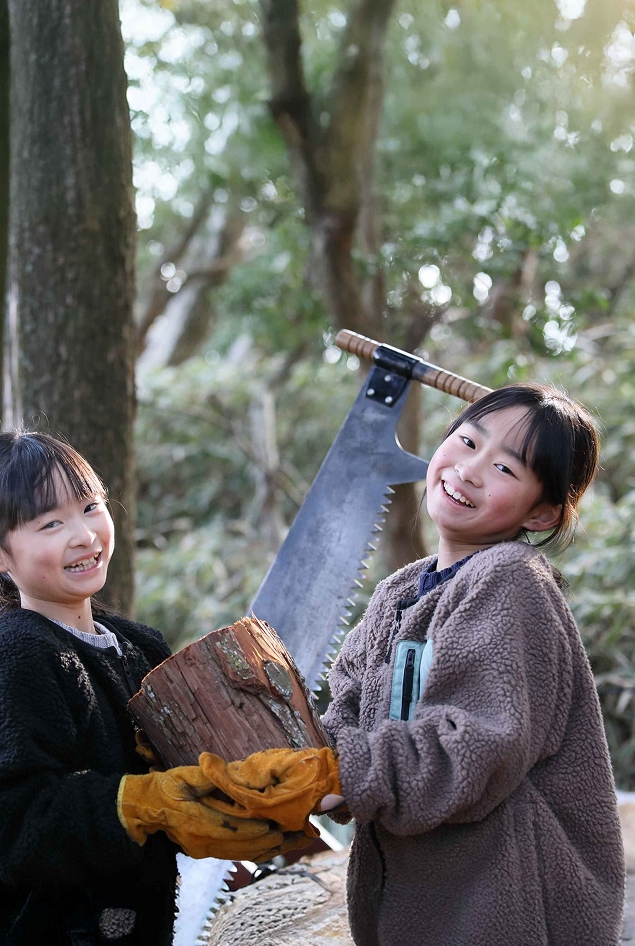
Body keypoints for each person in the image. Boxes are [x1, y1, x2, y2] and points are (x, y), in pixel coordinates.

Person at [201, 383, 626, 945]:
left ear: (543, 513)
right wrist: (288, 767)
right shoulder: (399, 593)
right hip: (416, 901)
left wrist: (337, 774)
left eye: (504, 468)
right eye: (467, 441)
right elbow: (347, 715)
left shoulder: (509, 582)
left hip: (504, 909)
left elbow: (475, 748)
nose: (469, 470)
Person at [0, 431, 285, 946]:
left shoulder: (138, 646)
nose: (83, 534)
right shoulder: (13, 656)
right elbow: (9, 823)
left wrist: (237, 812)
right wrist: (140, 805)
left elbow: (180, 781)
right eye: (50, 523)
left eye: (90, 507)